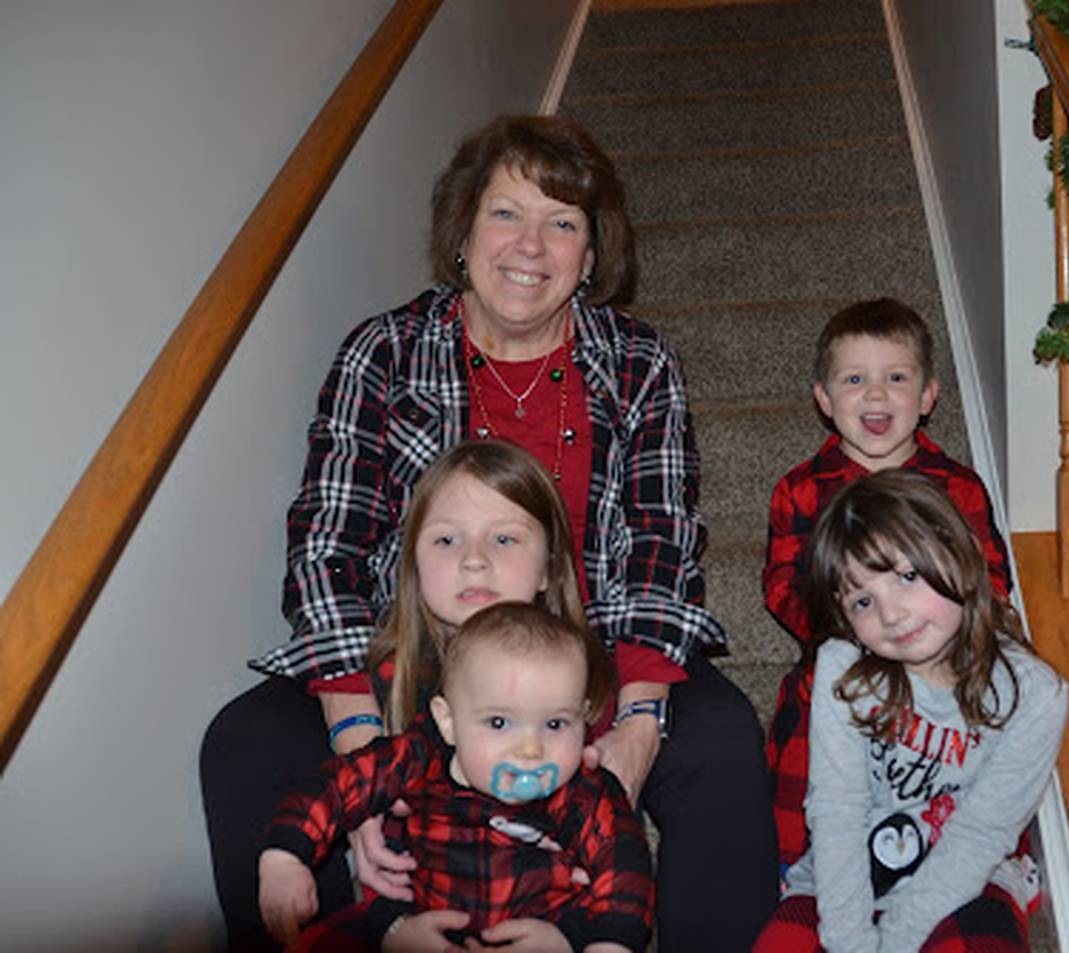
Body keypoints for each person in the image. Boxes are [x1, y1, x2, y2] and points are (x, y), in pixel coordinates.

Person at [201, 114, 776, 953]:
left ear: (591, 254)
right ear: (463, 234)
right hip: (414, 655)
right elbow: (328, 545)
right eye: (507, 213)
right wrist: (360, 751)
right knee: (246, 742)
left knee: (719, 736)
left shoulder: (641, 364)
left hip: (585, 647)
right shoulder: (383, 353)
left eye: (564, 222)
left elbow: (663, 542)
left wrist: (640, 722)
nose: (531, 246)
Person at [753, 471, 1068, 952]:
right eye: (863, 601)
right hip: (843, 882)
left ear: (960, 557)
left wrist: (895, 944)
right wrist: (853, 944)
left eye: (906, 577)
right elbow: (838, 814)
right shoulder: (845, 668)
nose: (892, 614)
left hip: (969, 880)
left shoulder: (1033, 695)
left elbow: (980, 836)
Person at [762, 298, 1011, 870]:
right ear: (824, 399)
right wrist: (853, 634)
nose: (876, 395)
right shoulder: (801, 489)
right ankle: (801, 864)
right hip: (844, 662)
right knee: (810, 706)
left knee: (979, 712)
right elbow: (783, 583)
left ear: (927, 397)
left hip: (942, 669)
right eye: (855, 379)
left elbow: (989, 580)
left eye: (896, 377)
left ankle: (965, 856)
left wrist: (939, 642)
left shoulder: (957, 487)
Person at [259, 602, 653, 953]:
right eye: (499, 722)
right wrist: (284, 855)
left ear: (582, 718)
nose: (531, 750)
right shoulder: (417, 759)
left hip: (549, 932)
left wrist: (586, 939)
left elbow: (624, 863)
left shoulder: (584, 791)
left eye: (555, 724)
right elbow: (338, 785)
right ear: (447, 722)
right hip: (419, 927)